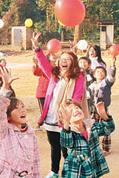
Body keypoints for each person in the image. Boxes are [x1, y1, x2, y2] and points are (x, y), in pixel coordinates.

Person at [31, 32, 88, 178]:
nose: (63, 61)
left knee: (66, 148)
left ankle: (69, 172)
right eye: (62, 59)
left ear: (73, 62)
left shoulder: (78, 76)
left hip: (66, 119)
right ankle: (54, 171)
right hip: (51, 117)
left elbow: (78, 95)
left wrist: (70, 108)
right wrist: (37, 48)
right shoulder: (54, 75)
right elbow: (43, 63)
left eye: (67, 59)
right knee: (54, 146)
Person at [0, 67, 41, 178]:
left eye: (23, 107)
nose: (22, 110)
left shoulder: (31, 135)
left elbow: (36, 163)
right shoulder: (4, 132)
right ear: (8, 116)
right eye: (16, 108)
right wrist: (5, 87)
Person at [58, 100, 115, 178]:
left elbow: (109, 129)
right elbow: (66, 142)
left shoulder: (92, 126)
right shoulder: (70, 133)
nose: (76, 110)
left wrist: (103, 115)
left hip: (92, 167)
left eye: (77, 108)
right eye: (71, 111)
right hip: (76, 171)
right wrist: (66, 123)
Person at [87, 56, 116, 155]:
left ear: (105, 74)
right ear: (94, 74)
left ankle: (106, 148)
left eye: (102, 72)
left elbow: (111, 77)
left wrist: (112, 66)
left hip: (103, 110)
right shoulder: (91, 85)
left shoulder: (106, 83)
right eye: (97, 72)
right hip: (93, 110)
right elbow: (88, 97)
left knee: (106, 128)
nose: (99, 73)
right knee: (92, 127)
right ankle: (93, 146)